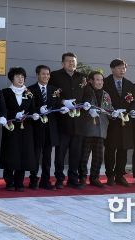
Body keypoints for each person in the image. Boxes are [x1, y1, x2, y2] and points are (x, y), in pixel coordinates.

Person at [50, 52, 86, 189]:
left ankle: (73, 178)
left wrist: (87, 103)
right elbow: (51, 94)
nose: (71, 63)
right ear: (63, 63)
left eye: (73, 61)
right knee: (60, 153)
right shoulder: (55, 76)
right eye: (69, 61)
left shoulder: (82, 77)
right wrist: (62, 101)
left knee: (76, 153)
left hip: (78, 121)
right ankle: (59, 179)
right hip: (62, 121)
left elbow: (87, 93)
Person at [0, 67, 37, 191]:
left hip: (25, 129)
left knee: (23, 155)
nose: (20, 79)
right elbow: (3, 109)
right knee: (11, 153)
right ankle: (9, 181)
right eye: (17, 77)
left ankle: (19, 182)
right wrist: (13, 114)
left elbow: (32, 109)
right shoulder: (5, 92)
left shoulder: (29, 93)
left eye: (22, 77)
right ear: (12, 78)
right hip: (11, 128)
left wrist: (35, 114)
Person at [102, 59, 135, 186]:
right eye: (119, 68)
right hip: (111, 121)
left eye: (124, 68)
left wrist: (132, 110)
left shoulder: (129, 84)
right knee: (110, 149)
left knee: (123, 149)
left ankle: (120, 175)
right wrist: (111, 112)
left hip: (125, 121)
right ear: (112, 69)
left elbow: (134, 101)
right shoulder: (105, 82)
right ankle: (110, 175)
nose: (122, 70)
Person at [28, 65, 60, 190]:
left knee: (47, 157)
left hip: (50, 128)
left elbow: (57, 105)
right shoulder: (30, 89)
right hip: (36, 128)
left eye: (48, 74)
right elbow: (28, 107)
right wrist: (38, 110)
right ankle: (33, 180)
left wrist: (63, 108)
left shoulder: (54, 90)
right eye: (43, 74)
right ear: (37, 75)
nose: (46, 76)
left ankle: (45, 180)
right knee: (35, 155)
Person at [77, 71, 112, 187]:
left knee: (98, 157)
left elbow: (109, 109)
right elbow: (79, 106)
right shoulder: (85, 91)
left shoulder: (106, 94)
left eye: (101, 80)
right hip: (87, 129)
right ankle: (82, 178)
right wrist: (87, 111)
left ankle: (94, 178)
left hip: (101, 129)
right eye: (97, 80)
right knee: (84, 156)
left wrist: (114, 113)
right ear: (91, 81)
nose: (100, 82)